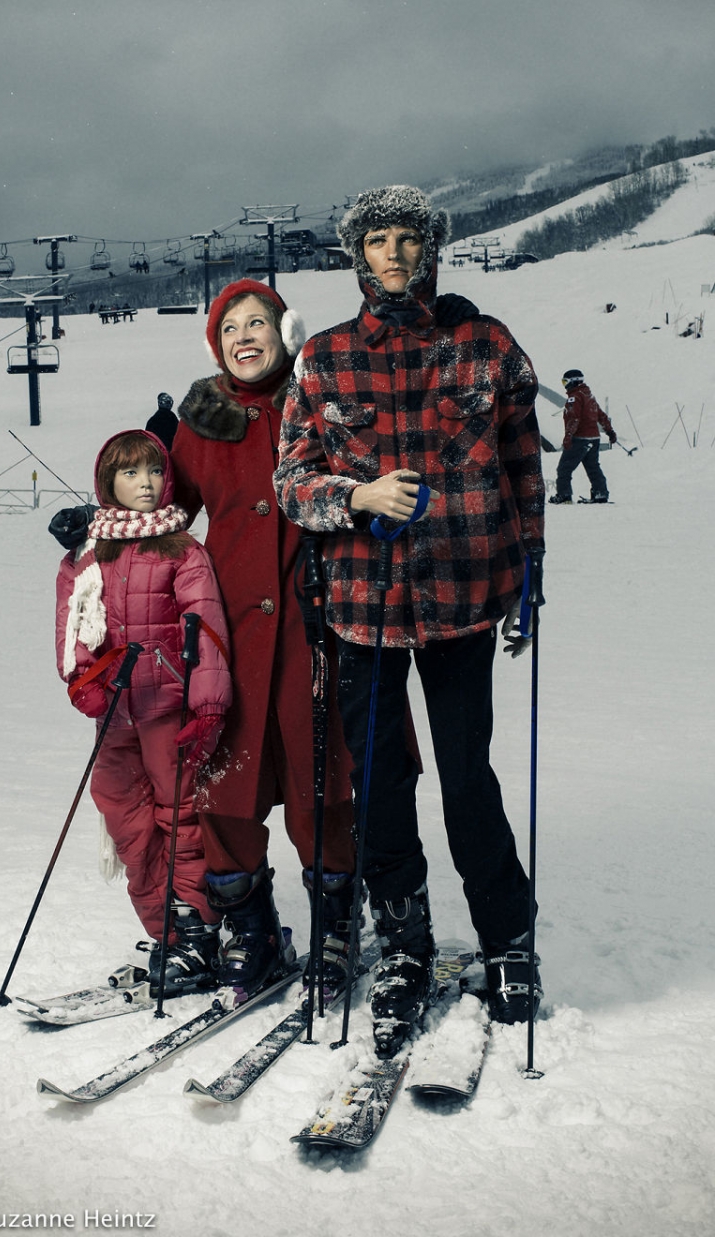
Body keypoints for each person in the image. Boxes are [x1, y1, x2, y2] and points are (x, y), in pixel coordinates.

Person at [274, 185, 546, 1055]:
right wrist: (353, 494)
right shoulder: (322, 360)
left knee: (468, 778)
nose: (394, 253)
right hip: (363, 608)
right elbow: (290, 483)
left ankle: (508, 939)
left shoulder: (485, 343)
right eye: (379, 240)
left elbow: (522, 467)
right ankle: (403, 944)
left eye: (408, 239)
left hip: (467, 594)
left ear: (432, 248)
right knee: (382, 786)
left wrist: (529, 569)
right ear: (357, 255)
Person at [170, 279, 356, 1004]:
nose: (244, 336)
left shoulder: (321, 401)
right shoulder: (200, 422)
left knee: (321, 777)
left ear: (286, 331)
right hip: (229, 635)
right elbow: (166, 508)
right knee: (226, 779)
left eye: (258, 323)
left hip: (316, 628)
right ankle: (248, 925)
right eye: (229, 329)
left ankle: (335, 923)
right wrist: (109, 526)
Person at [55, 429, 232, 998]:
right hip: (115, 713)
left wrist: (207, 702)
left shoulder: (183, 550)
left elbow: (207, 627)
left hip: (167, 709)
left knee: (179, 818)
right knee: (123, 813)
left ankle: (199, 933)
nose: (146, 484)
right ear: (109, 484)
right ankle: (165, 930)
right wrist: (81, 680)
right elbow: (73, 620)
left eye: (154, 472)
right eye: (131, 474)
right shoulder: (90, 554)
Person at [550, 369, 617, 504]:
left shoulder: (575, 397)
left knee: (564, 468)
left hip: (580, 439)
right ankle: (600, 493)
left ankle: (564, 495)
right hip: (594, 439)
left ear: (573, 382)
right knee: (593, 467)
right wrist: (610, 431)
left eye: (565, 382)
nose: (564, 385)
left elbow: (574, 418)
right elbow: (601, 415)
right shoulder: (588, 396)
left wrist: (568, 437)